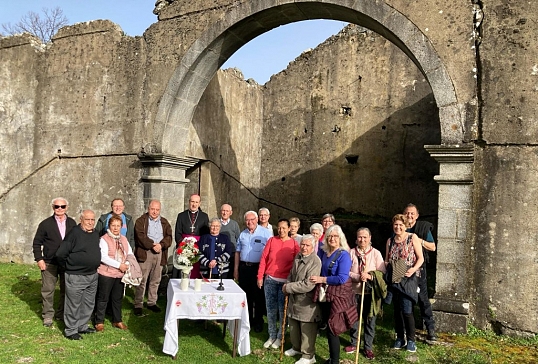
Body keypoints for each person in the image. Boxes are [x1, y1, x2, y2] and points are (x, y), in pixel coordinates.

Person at [310, 225, 356, 364]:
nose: (332, 239)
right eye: (329, 236)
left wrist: (322, 279)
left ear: (340, 238)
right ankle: (331, 358)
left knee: (332, 328)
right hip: (325, 294)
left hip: (338, 296)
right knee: (327, 326)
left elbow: (342, 278)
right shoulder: (324, 252)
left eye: (335, 236)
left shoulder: (344, 255)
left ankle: (334, 361)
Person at [55, 209, 101, 340]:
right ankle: (71, 330)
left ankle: (82, 326)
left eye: (93, 219)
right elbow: (60, 254)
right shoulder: (74, 233)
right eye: (87, 219)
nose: (90, 222)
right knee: (73, 304)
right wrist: (70, 267)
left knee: (88, 303)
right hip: (76, 276)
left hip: (92, 275)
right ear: (81, 219)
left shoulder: (95, 233)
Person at [32, 197, 77, 327]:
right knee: (48, 290)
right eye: (57, 206)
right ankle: (48, 316)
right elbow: (36, 243)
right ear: (53, 208)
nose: (59, 209)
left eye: (62, 206)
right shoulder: (45, 224)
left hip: (66, 263)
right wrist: (39, 259)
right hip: (49, 262)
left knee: (66, 290)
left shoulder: (72, 223)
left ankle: (61, 314)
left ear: (66, 207)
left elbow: (76, 242)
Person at [257, 218, 300, 349]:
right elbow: (264, 258)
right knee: (270, 309)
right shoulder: (271, 240)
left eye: (283, 228)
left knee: (283, 311)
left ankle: (281, 337)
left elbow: (296, 263)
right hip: (270, 279)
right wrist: (260, 276)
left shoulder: (294, 244)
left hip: (285, 282)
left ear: (289, 229)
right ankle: (272, 335)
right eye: (279, 228)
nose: (281, 230)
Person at [385, 214, 424, 353]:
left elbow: (420, 258)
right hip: (395, 278)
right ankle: (400, 337)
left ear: (405, 225)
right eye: (396, 224)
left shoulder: (412, 238)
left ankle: (411, 340)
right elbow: (387, 259)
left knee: (407, 310)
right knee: (397, 311)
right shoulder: (390, 241)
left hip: (408, 278)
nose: (398, 227)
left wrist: (413, 269)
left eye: (401, 225)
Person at [346, 228, 387, 360]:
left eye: (365, 237)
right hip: (354, 291)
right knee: (354, 319)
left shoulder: (375, 253)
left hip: (371, 294)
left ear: (370, 238)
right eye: (359, 237)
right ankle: (354, 343)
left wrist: (369, 276)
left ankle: (368, 347)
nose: (362, 240)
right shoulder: (351, 253)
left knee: (370, 321)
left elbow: (382, 272)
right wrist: (357, 277)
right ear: (356, 238)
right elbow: (346, 272)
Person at [282, 234, 322, 364]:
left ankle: (308, 356)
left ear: (313, 247)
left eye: (307, 245)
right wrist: (287, 284)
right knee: (294, 326)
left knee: (306, 329)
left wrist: (289, 287)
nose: (304, 247)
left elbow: (308, 284)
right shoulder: (298, 256)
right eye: (302, 245)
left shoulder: (315, 261)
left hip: (307, 302)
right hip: (294, 300)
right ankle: (296, 348)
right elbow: (291, 274)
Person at [94, 214, 134, 332]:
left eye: (118, 226)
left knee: (117, 298)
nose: (115, 228)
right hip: (106, 273)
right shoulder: (104, 239)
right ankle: (99, 321)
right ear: (109, 226)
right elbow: (103, 257)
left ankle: (117, 320)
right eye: (113, 225)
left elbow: (129, 253)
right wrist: (119, 265)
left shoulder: (124, 239)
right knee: (103, 298)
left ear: (121, 227)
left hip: (120, 274)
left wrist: (126, 264)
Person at [235, 210, 272, 333]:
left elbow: (270, 253)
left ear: (257, 220)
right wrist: (236, 269)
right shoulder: (242, 234)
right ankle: (248, 320)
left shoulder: (266, 233)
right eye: (247, 220)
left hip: (258, 268)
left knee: (258, 296)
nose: (249, 222)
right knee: (246, 296)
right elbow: (238, 252)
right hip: (244, 268)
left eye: (252, 219)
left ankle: (258, 321)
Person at [404, 203, 437, 341]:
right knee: (405, 300)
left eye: (412, 213)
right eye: (407, 213)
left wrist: (418, 241)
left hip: (419, 269)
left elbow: (432, 247)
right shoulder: (399, 226)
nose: (409, 216)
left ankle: (430, 329)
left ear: (417, 216)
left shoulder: (423, 228)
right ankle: (406, 330)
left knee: (423, 299)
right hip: (403, 270)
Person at [133, 200, 172, 316]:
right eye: (152, 209)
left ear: (160, 210)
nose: (154, 212)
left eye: (157, 210)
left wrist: (161, 245)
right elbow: (140, 236)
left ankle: (151, 302)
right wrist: (151, 245)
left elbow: (169, 237)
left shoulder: (164, 222)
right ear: (148, 208)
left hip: (160, 252)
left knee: (156, 279)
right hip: (146, 252)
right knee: (142, 279)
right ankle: (138, 304)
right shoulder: (141, 221)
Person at [173, 194, 209, 278]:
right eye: (192, 201)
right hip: (183, 248)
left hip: (198, 248)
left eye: (196, 202)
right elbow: (177, 233)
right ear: (189, 202)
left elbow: (206, 234)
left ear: (199, 203)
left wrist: (198, 246)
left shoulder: (204, 216)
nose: (194, 204)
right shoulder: (181, 215)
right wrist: (184, 246)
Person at [219, 204, 241, 279]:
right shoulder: (217, 223)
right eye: (223, 211)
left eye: (227, 211)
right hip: (220, 255)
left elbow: (238, 239)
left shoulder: (234, 224)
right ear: (220, 212)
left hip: (232, 255)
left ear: (231, 213)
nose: (225, 213)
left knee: (230, 276)